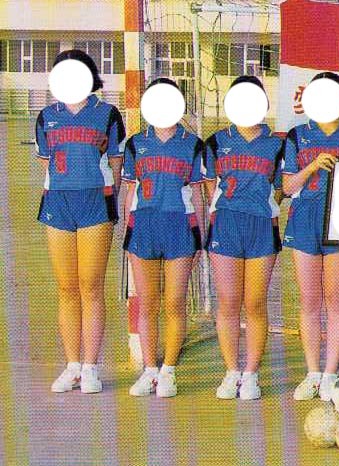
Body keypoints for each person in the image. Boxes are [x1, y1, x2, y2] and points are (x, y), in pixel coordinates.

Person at [38, 50, 125, 394]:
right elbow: (47, 165)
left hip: (95, 204)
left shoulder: (107, 114)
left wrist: (110, 200)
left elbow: (116, 163)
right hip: (58, 204)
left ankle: (90, 368)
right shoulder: (47, 116)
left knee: (91, 286)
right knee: (66, 287)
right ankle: (72, 365)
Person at [122, 78, 205, 398]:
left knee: (174, 302)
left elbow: (197, 195)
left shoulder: (192, 144)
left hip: (179, 229)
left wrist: (201, 239)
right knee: (148, 303)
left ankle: (168, 370)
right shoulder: (135, 144)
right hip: (143, 227)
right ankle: (149, 370)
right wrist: (127, 234)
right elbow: (129, 193)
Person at [283, 73, 339, 402]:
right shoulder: (297, 136)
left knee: (336, 298)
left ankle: (331, 373)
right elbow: (287, 187)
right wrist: (313, 166)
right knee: (309, 300)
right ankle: (313, 372)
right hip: (304, 221)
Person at [204, 76, 283, 400]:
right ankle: (231, 371)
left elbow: (281, 188)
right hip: (226, 227)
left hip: (261, 227)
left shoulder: (277, 144)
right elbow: (210, 189)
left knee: (255, 302)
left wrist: (262, 203)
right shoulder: (215, 142)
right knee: (228, 301)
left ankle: (251, 373)